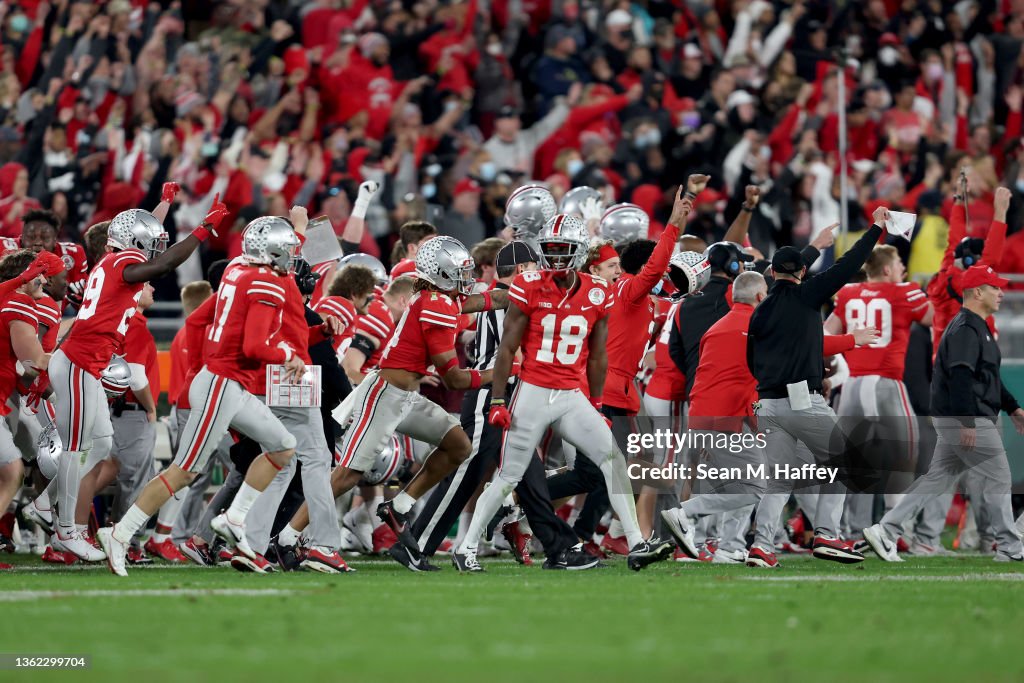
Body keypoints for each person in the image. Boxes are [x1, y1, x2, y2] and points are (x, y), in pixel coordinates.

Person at [452, 213, 674, 572]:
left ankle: (636, 543)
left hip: (571, 394)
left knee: (613, 459)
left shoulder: (598, 290)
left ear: (578, 251)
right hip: (534, 392)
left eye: (562, 249)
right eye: (550, 249)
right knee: (509, 474)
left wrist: (597, 403)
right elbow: (508, 348)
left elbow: (599, 354)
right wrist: (496, 399)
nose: (555, 257)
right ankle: (467, 546)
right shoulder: (527, 284)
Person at [277, 235, 509, 573]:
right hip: (385, 394)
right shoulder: (436, 305)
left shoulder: (436, 297)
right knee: (347, 475)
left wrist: (524, 293)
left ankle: (398, 507)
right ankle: (287, 538)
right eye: (459, 272)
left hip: (406, 396)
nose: (466, 279)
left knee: (459, 445)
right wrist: (504, 371)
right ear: (441, 274)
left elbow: (483, 301)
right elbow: (455, 380)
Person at [97, 214, 304, 576]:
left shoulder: (237, 270)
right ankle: (120, 533)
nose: (291, 254)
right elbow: (256, 346)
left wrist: (201, 366)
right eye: (287, 247)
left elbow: (196, 322)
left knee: (283, 446)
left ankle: (235, 518)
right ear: (272, 250)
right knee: (185, 471)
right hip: (223, 383)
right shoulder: (264, 281)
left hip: (224, 381)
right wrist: (288, 354)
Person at [51, 199, 228, 561]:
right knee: (77, 449)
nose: (153, 253)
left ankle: (43, 505)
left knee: (99, 445)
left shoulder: (111, 261)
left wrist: (162, 207)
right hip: (80, 362)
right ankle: (65, 529)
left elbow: (145, 247)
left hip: (85, 364)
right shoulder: (119, 262)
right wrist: (202, 229)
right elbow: (162, 263)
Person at [410, 240, 597, 570]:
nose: (542, 272)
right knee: (467, 475)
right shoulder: (512, 298)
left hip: (508, 396)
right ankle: (418, 541)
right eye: (534, 266)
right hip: (491, 396)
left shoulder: (507, 296)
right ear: (524, 269)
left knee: (532, 479)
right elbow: (514, 354)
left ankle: (560, 548)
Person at [745, 207, 890, 568]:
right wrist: (875, 228)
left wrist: (812, 247)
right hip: (800, 400)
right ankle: (827, 533)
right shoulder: (807, 296)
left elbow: (751, 359)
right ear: (803, 273)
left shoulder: (759, 310)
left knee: (778, 481)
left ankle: (762, 546)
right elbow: (848, 263)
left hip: (768, 403)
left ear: (773, 273)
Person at [863, 266, 1024, 563]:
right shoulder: (966, 328)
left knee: (935, 480)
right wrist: (966, 421)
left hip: (960, 417)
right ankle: (1012, 548)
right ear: (977, 292)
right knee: (999, 478)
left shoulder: (976, 326)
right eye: (995, 288)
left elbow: (986, 378)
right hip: (968, 418)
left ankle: (886, 530)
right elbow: (961, 375)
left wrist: (1012, 407)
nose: (1001, 293)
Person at [824, 245, 933, 541]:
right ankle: (892, 530)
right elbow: (933, 318)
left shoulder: (848, 294)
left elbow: (826, 333)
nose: (903, 268)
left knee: (848, 463)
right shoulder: (904, 292)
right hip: (886, 383)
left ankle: (837, 529)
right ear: (886, 269)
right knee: (905, 455)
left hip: (852, 386)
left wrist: (829, 373)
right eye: (898, 262)